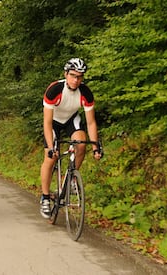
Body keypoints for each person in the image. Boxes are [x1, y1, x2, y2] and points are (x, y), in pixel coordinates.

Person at [40, 58, 103, 218]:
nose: (76, 80)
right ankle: (45, 197)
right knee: (50, 157)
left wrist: (96, 146)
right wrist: (50, 146)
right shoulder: (54, 90)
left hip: (70, 120)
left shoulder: (86, 93)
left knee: (81, 144)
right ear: (66, 74)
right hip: (53, 122)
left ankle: (70, 179)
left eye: (80, 77)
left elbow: (90, 122)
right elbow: (47, 122)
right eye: (73, 75)